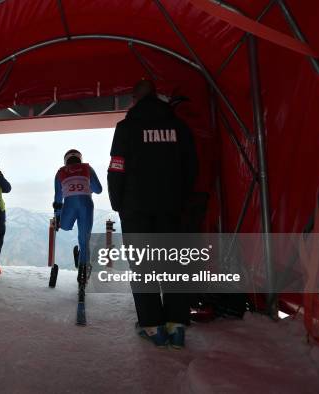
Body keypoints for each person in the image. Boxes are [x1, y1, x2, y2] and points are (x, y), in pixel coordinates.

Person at [107, 79, 198, 348]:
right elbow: (191, 166)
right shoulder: (179, 127)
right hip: (171, 207)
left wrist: (117, 202)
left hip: (136, 208)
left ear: (135, 99)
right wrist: (181, 198)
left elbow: (117, 167)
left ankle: (153, 327)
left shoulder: (126, 128)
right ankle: (177, 326)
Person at [53, 149, 102, 269]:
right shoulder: (87, 169)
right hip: (86, 205)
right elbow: (98, 190)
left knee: (64, 226)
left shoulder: (60, 172)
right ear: (80, 158)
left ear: (66, 160)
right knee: (84, 240)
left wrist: (57, 217)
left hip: (69, 206)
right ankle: (83, 271)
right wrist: (87, 185)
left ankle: (81, 260)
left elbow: (58, 199)